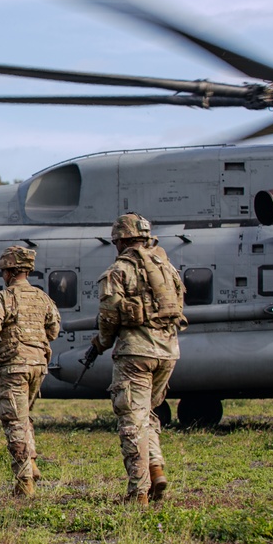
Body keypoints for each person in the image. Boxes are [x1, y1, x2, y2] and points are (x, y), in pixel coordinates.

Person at [89, 213, 185, 505]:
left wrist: (100, 345)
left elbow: (108, 317)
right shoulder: (167, 267)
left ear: (122, 240)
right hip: (167, 352)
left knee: (131, 420)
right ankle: (156, 470)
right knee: (147, 415)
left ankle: (138, 492)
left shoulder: (119, 271)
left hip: (135, 353)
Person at [0, 246, 61, 497]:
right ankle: (32, 462)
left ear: (11, 272)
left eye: (4, 271)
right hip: (38, 365)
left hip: (14, 366)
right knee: (23, 416)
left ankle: (24, 480)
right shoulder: (43, 298)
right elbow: (54, 330)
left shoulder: (3, 299)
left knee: (13, 420)